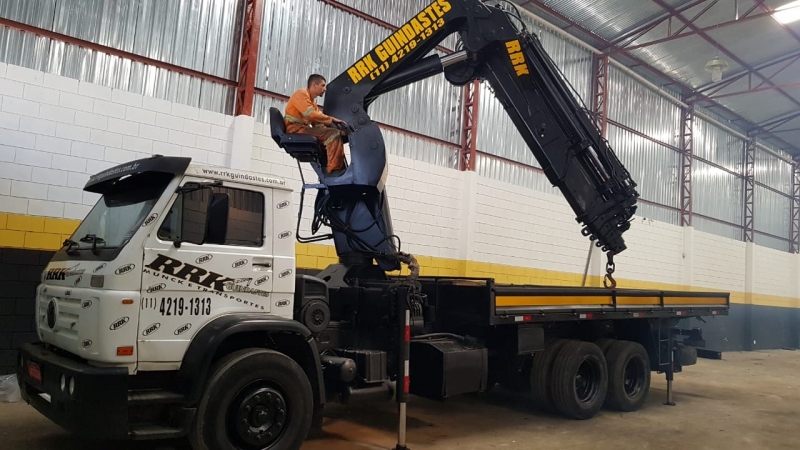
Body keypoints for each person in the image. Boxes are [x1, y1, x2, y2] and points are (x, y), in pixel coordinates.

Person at [284, 74, 349, 174]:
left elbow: (317, 123)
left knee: (333, 132)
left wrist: (339, 130)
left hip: (302, 129)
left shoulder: (312, 102)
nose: (325, 89)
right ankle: (335, 171)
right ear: (314, 85)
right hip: (295, 129)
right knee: (333, 134)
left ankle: (335, 168)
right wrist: (331, 120)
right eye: (323, 85)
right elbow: (311, 115)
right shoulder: (301, 94)